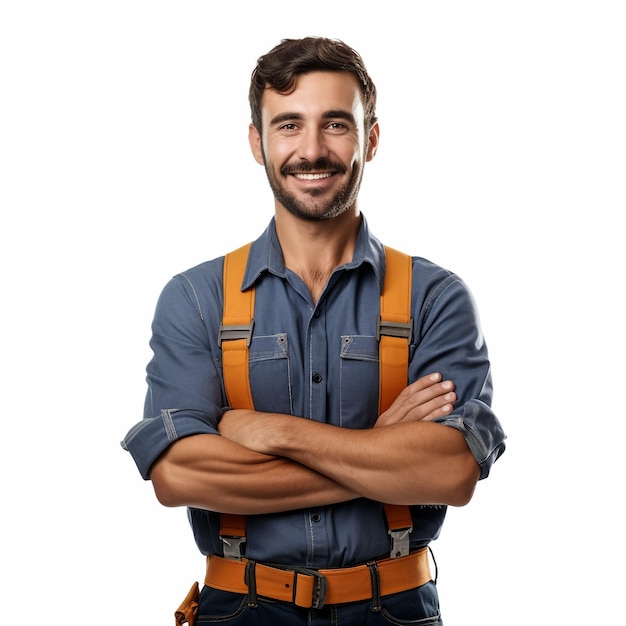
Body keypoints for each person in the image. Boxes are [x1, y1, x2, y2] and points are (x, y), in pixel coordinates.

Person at [121, 36, 506, 625]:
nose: (312, 149)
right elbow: (177, 476)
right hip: (239, 611)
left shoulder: (434, 297)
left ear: (370, 138)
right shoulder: (197, 299)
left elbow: (451, 471)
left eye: (335, 124)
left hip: (394, 611)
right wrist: (379, 449)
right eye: (289, 126)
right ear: (257, 142)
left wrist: (272, 432)